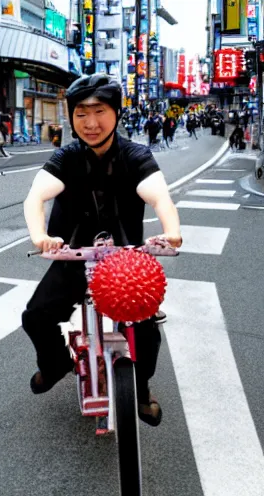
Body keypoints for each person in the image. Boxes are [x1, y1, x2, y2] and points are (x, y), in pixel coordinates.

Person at [22, 74, 182, 427]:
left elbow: (159, 195)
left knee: (145, 328)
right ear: (71, 117)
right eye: (81, 113)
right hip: (73, 257)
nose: (91, 123)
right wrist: (40, 236)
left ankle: (139, 387)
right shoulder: (66, 157)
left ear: (117, 113)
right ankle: (54, 365)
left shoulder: (135, 155)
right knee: (36, 316)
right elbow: (36, 196)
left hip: (126, 265)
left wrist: (171, 231)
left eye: (100, 111)